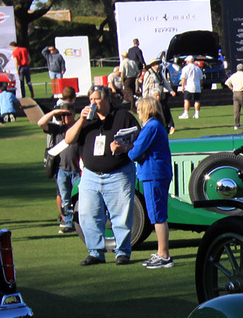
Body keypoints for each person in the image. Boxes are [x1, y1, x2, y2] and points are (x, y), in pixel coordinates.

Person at [63, 85, 138, 265]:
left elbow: (139, 141)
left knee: (120, 215)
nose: (93, 102)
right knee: (88, 215)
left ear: (106, 99)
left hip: (118, 173)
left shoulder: (123, 117)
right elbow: (68, 139)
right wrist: (81, 120)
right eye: (90, 99)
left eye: (97, 99)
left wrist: (124, 148)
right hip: (90, 175)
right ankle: (95, 252)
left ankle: (122, 252)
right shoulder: (87, 120)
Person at [116, 97, 174, 268]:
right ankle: (161, 252)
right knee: (157, 214)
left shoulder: (151, 126)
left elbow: (135, 152)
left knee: (157, 215)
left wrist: (123, 147)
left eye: (140, 109)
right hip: (155, 173)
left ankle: (164, 254)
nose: (138, 112)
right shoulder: (155, 125)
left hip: (154, 174)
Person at [39, 90, 81, 232]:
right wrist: (54, 113)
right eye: (63, 115)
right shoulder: (57, 129)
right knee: (65, 199)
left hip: (77, 170)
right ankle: (69, 223)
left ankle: (80, 223)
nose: (65, 118)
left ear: (73, 114)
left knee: (80, 199)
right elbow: (41, 123)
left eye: (67, 115)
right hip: (62, 170)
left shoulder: (79, 128)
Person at [225, 62, 243, 131]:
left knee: (236, 110)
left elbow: (227, 83)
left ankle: (236, 125)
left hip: (235, 93)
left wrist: (232, 88)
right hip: (241, 92)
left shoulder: (233, 75)